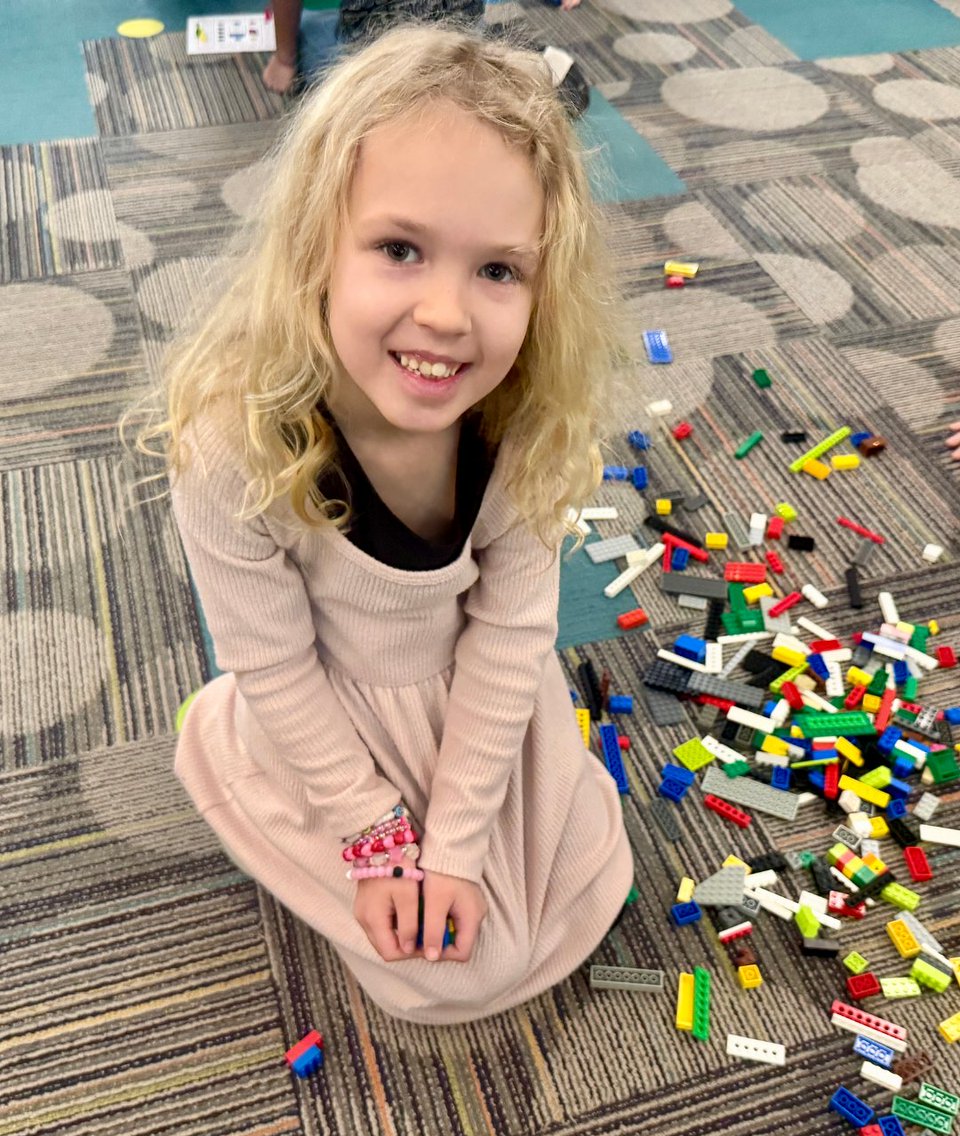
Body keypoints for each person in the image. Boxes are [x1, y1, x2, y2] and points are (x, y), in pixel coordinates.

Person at [131, 24, 634, 1026]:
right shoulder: (233, 442)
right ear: (319, 243)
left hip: (480, 703)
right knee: (454, 975)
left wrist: (451, 846)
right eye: (400, 250)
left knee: (576, 885)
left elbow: (511, 638)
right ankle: (219, 742)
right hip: (329, 710)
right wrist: (376, 840)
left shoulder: (530, 425)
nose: (446, 315)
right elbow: (275, 662)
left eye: (499, 271)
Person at [261, 0, 582, 96]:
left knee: (308, 30)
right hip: (461, 47)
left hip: (373, 63)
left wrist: (284, 58)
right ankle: (517, 70)